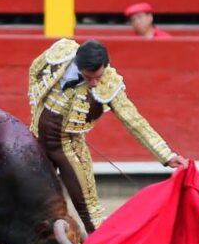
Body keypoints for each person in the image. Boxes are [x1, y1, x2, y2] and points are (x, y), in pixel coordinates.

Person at [28, 38, 188, 233]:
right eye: (89, 77)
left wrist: (167, 155)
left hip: (68, 147)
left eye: (98, 76)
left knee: (89, 210)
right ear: (78, 64)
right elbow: (35, 70)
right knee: (28, 200)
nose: (94, 83)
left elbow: (134, 121)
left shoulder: (109, 84)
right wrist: (35, 106)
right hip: (36, 140)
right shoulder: (61, 54)